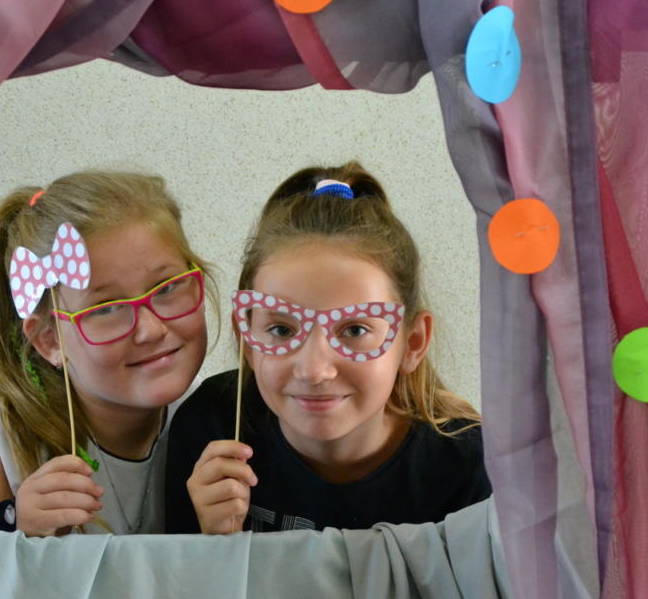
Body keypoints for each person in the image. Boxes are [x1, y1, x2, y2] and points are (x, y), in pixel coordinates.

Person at [164, 162, 489, 534]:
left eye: (354, 329)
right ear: (246, 339)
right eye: (282, 329)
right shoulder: (212, 426)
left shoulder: (469, 466)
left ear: (412, 343)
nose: (314, 370)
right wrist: (211, 542)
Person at [0, 170, 214, 536]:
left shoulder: (211, 419)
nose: (152, 329)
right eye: (106, 309)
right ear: (49, 340)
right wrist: (20, 540)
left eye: (166, 288)